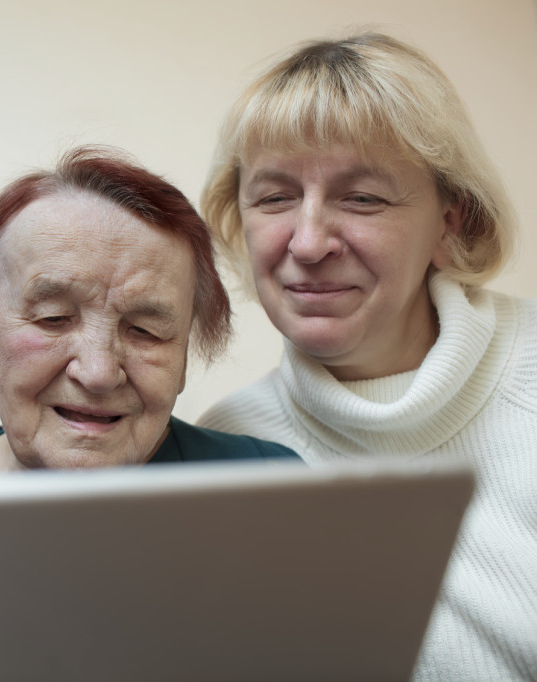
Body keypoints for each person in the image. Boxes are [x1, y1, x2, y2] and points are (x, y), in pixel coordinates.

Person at [196, 33, 535, 680]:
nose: (309, 240)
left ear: (449, 221)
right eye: (273, 198)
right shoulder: (228, 450)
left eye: (363, 198)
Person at [0, 147, 298, 477]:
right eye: (53, 318)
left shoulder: (270, 488)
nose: (98, 373)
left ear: (184, 357)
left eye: (146, 330)